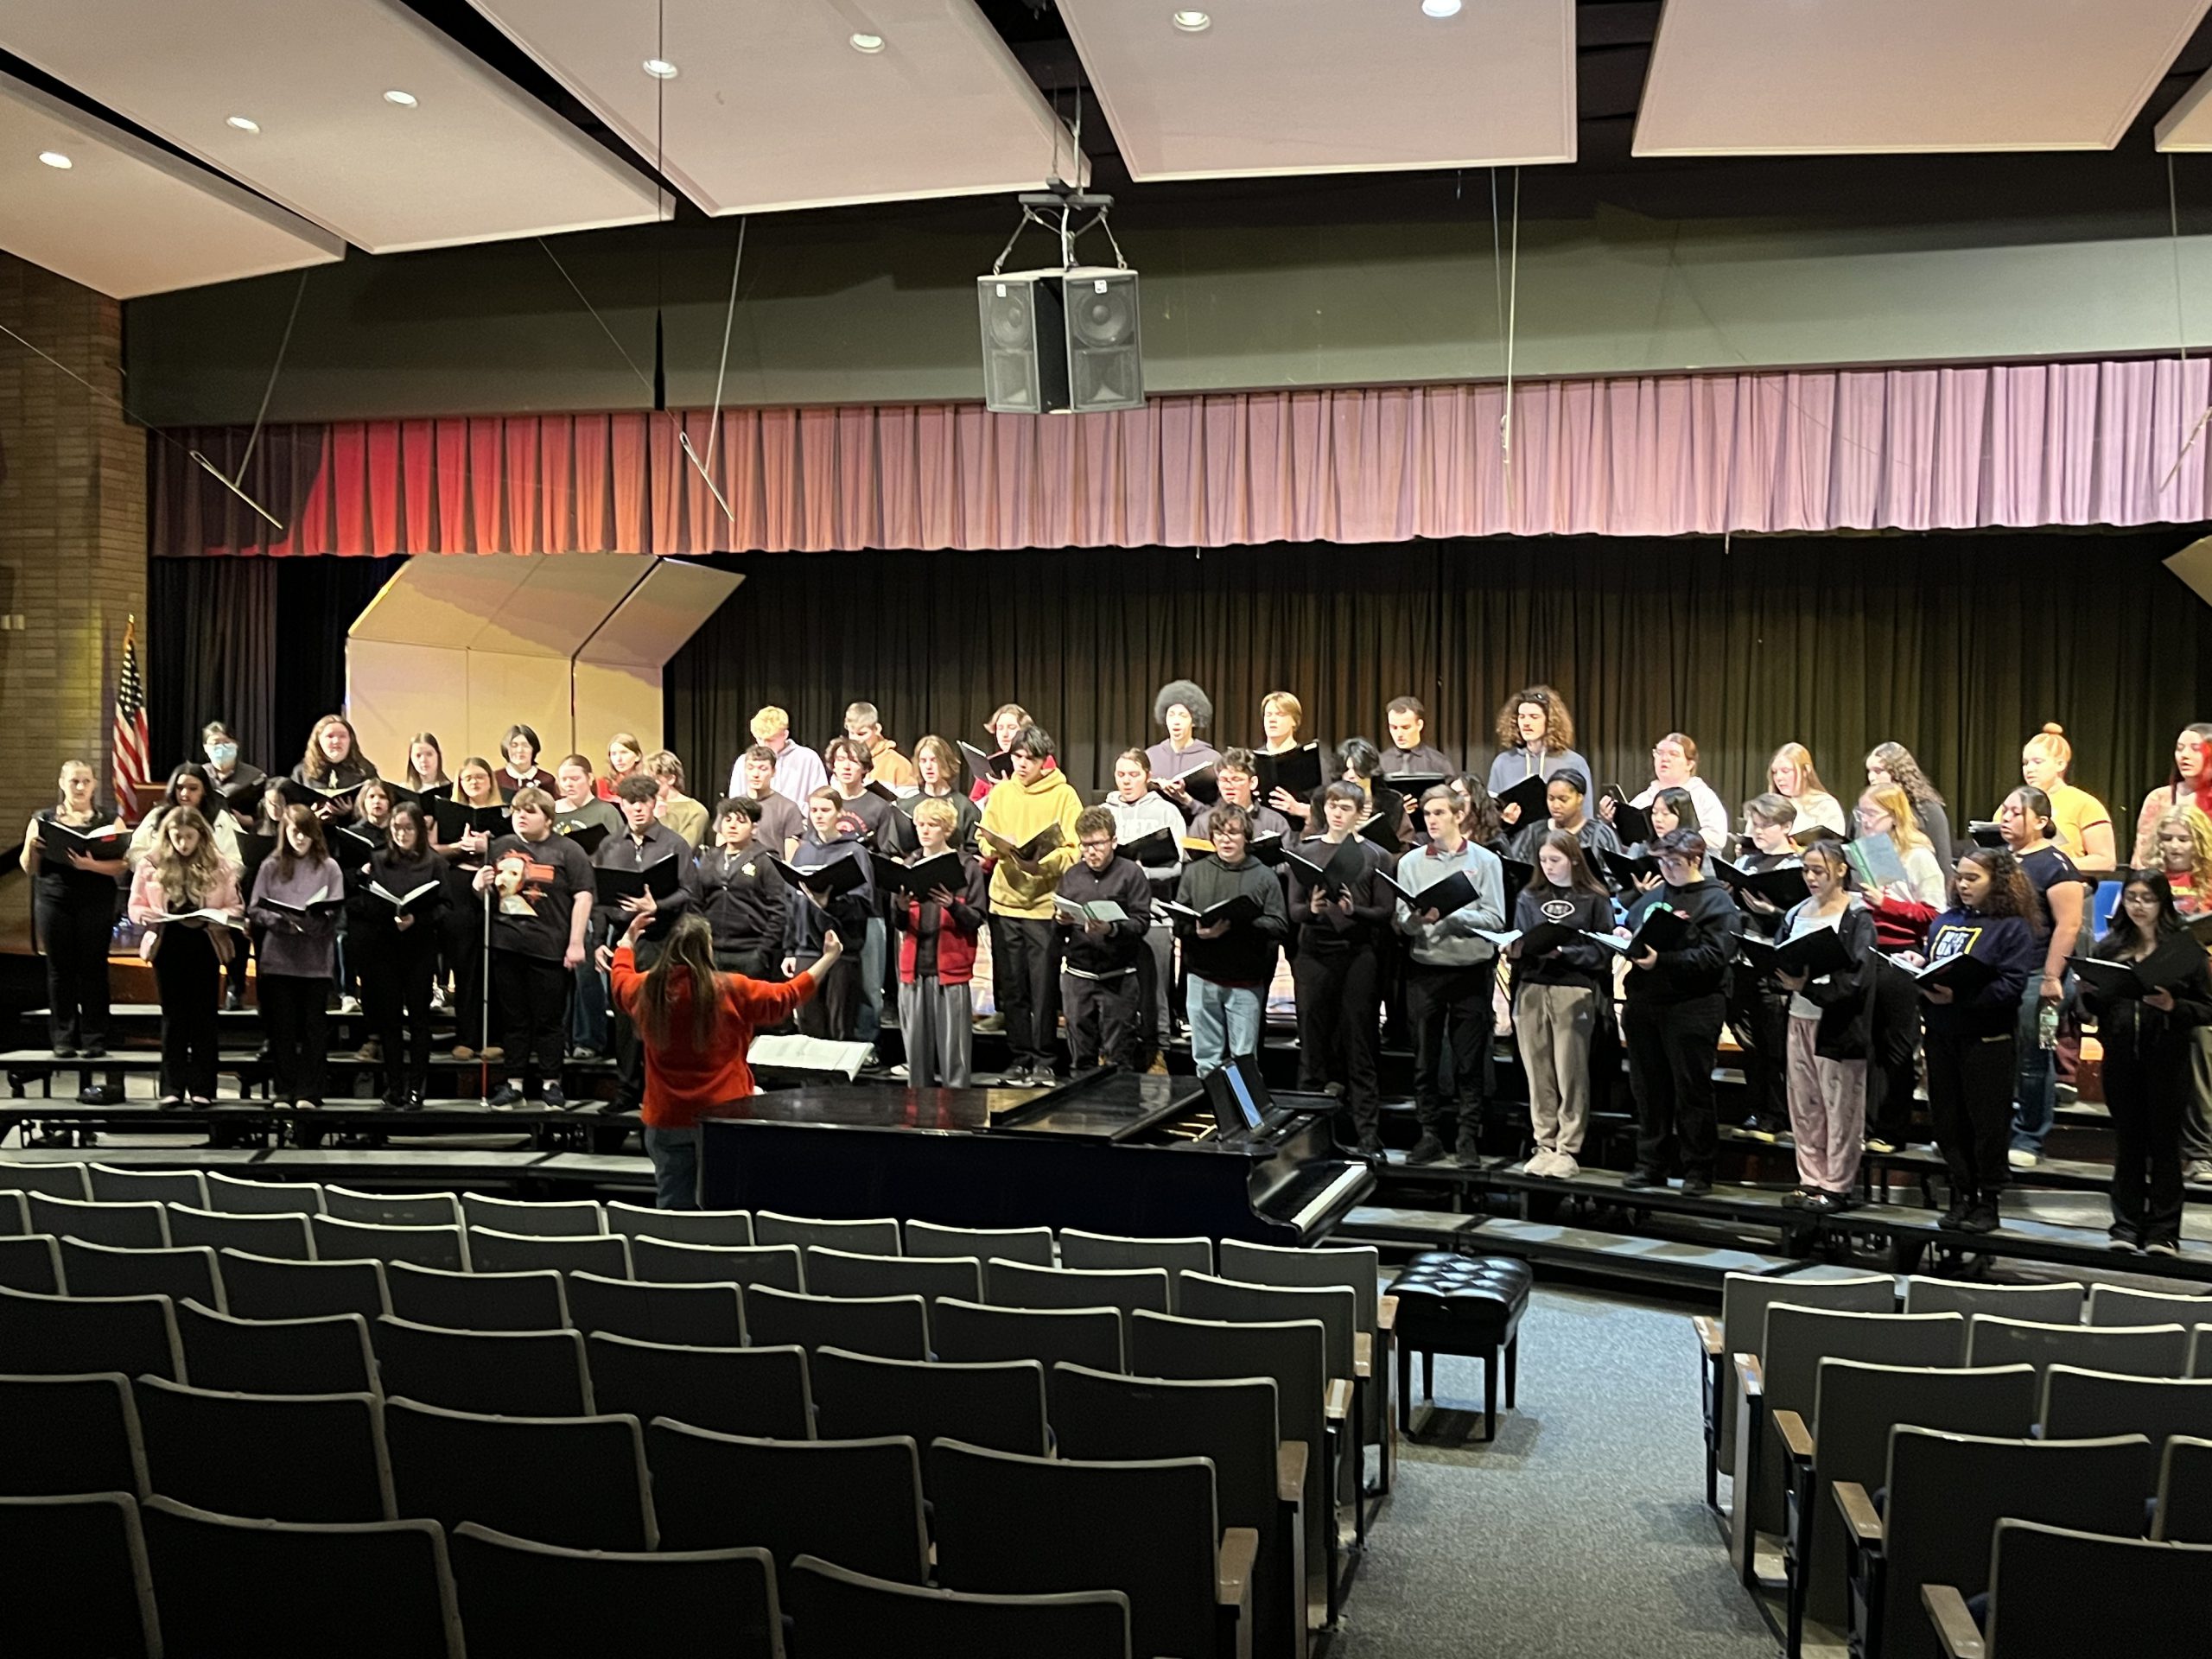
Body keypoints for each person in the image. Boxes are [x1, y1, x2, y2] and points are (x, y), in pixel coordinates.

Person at [611, 912, 835, 1210]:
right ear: (708, 949)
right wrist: (830, 957)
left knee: (672, 1207)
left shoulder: (647, 989)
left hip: (667, 1117)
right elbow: (790, 994)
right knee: (721, 1207)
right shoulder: (732, 989)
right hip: (722, 1117)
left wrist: (626, 943)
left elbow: (619, 980)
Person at [1908, 848, 2040, 1233]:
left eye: (1973, 879)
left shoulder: (2011, 927)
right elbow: (1937, 962)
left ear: (1996, 882)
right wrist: (1919, 966)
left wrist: (1960, 996)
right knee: (1948, 1122)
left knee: (1986, 1124)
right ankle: (1960, 1194)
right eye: (1960, 878)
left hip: (1987, 1038)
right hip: (1942, 1034)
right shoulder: (1946, 921)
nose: (1963, 885)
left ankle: (1988, 1201)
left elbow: (2011, 986)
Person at [2082, 870, 2212, 1255]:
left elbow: (2207, 1008)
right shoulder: (2111, 947)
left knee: (2165, 1147)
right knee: (2128, 1145)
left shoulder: (2183, 950)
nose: (2139, 906)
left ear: (2162, 903)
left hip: (2167, 1059)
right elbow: (2095, 1007)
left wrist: (2175, 1006)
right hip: (2122, 1058)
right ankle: (2125, 1226)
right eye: (2132, 898)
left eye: (2147, 899)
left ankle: (2163, 1232)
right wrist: (2089, 993)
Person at [1618, 829, 1742, 1197]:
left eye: (1674, 863)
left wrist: (1662, 961)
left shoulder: (1717, 902)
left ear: (1696, 861)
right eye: (1662, 862)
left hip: (1692, 1006)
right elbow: (1633, 924)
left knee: (1692, 1089)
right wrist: (1623, 937)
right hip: (1645, 1003)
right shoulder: (1657, 895)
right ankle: (1650, 1163)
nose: (1668, 870)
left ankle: (1698, 1169)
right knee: (1648, 1089)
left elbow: (1715, 956)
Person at [1394, 785, 1506, 1165]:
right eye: (1428, 815)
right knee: (1425, 1057)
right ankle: (1429, 1135)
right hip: (1426, 969)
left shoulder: (1486, 861)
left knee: (1468, 1059)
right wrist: (1412, 920)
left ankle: (1467, 1137)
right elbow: (1403, 923)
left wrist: (1453, 915)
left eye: (1440, 813)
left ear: (1459, 815)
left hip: (1471, 971)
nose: (1433, 821)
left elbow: (1496, 919)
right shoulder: (1410, 864)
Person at [976, 725, 1084, 1085]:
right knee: (1013, 987)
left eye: (1030, 759)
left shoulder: (1064, 794)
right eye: (1017, 757)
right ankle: (1020, 1056)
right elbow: (983, 837)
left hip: (1043, 907)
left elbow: (1075, 849)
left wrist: (1043, 864)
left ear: (1044, 761)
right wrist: (996, 845)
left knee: (1042, 987)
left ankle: (1044, 1058)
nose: (1022, 764)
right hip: (1005, 904)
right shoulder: (1003, 792)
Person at [474, 787, 594, 1109]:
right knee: (513, 1019)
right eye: (517, 811)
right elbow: (486, 897)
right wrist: (478, 884)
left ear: (548, 818)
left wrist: (575, 943)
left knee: (549, 1020)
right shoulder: (499, 847)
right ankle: (514, 1083)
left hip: (549, 946)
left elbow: (583, 896)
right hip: (506, 944)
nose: (521, 816)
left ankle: (550, 1082)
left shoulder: (568, 850)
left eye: (530, 811)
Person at [1288, 782, 1393, 1152]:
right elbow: (1295, 909)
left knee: (1360, 1045)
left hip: (1357, 955)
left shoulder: (1377, 856)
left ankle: (1367, 1134)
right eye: (1332, 806)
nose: (1336, 813)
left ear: (1359, 813)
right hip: (1315, 954)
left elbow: (1384, 912)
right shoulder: (1305, 850)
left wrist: (1354, 911)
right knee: (1312, 1046)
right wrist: (1313, 910)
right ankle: (1307, 1137)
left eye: (1345, 807)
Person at [1776, 840, 1877, 1211]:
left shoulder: (1856, 915)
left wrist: (1810, 988)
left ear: (1840, 870)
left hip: (1837, 1023)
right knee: (1804, 1104)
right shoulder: (1797, 912)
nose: (1811, 877)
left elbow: (1859, 977)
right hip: (1799, 1016)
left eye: (1819, 870)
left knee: (1841, 1106)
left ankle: (1836, 1184)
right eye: (1806, 870)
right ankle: (1810, 1178)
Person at [1507, 830, 1614, 1179]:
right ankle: (1544, 1143)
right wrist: (1514, 949)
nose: (1548, 867)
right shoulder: (1529, 896)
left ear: (1573, 860)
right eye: (1543, 861)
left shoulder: (1594, 898)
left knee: (1570, 1071)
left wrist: (1564, 951)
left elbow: (1603, 949)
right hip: (1533, 987)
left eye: (1555, 860)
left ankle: (1568, 1148)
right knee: (1538, 1072)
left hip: (1573, 988)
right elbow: (1520, 936)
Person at [596, 773, 702, 1113]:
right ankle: (627, 1091)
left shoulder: (674, 844)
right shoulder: (610, 846)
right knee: (626, 1020)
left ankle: (662, 1091)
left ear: (655, 804)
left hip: (663, 940)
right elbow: (599, 898)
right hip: (624, 940)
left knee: (662, 1019)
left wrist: (658, 906)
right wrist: (599, 941)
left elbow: (690, 892)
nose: (638, 809)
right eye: (631, 803)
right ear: (622, 806)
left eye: (644, 803)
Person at [126, 805, 241, 1108]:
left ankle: (203, 1088)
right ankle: (172, 1087)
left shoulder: (220, 865)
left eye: (190, 837)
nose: (183, 844)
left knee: (204, 1017)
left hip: (204, 943)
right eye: (177, 837)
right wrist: (146, 915)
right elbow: (135, 906)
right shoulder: (151, 864)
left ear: (201, 835)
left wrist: (218, 915)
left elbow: (235, 906)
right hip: (168, 943)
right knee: (174, 1017)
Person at [1853, 784, 1948, 1153]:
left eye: (1871, 815)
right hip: (1867, 951)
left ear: (1894, 818)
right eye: (1860, 815)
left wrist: (1888, 904)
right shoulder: (1865, 852)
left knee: (1896, 1044)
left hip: (1903, 955)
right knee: (1868, 1043)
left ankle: (1892, 1129)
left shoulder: (1918, 856)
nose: (1864, 822)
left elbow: (1936, 913)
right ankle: (1868, 1124)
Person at [1997, 785, 2086, 1168]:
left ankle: (2030, 1137)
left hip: (2041, 977)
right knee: (1998, 1056)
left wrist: (2052, 977)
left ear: (2042, 821)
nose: (2004, 816)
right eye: (2003, 809)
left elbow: (2069, 925)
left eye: (2015, 812)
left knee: (2035, 1057)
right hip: (2000, 974)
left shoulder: (2056, 865)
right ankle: (1994, 1130)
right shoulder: (1998, 860)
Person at [21, 759, 127, 1058]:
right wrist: (32, 848)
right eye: (74, 782)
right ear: (62, 784)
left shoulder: (109, 819)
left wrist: (90, 865)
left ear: (94, 785)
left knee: (94, 967)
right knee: (59, 968)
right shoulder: (44, 818)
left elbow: (123, 863)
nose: (80, 787)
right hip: (54, 898)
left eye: (86, 781)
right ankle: (63, 1038)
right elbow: (28, 868)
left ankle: (95, 1037)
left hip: (96, 898)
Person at [1174, 804, 1289, 1077]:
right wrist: (1198, 932)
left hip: (1244, 979)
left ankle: (1248, 1117)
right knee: (1206, 1059)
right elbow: (1180, 920)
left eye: (1234, 834)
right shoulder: (1195, 872)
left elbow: (1280, 925)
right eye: (1220, 833)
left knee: (1244, 1060)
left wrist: (1244, 922)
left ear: (1246, 838)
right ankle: (1213, 1114)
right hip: (1202, 976)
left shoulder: (1264, 876)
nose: (1226, 840)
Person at [246, 805, 343, 1112]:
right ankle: (285, 1090)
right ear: (284, 833)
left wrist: (316, 920)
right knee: (282, 1029)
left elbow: (336, 909)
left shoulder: (329, 867)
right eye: (294, 832)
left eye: (306, 832)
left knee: (314, 1029)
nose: (300, 838)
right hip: (279, 957)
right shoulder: (271, 865)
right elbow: (255, 909)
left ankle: (310, 1091)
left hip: (315, 960)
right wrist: (280, 921)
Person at [354, 802, 446, 1110]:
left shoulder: (434, 862)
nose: (402, 834)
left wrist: (416, 919)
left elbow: (445, 906)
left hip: (419, 947)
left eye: (408, 828)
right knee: (389, 1021)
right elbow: (365, 903)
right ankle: (394, 1087)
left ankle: (417, 1089)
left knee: (419, 1020)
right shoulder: (378, 860)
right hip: (385, 947)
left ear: (420, 830)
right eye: (396, 828)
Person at [892, 797, 988, 1087]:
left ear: (946, 829)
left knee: (954, 1056)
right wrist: (899, 905)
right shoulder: (909, 865)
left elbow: (977, 917)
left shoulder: (965, 866)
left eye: (931, 825)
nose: (923, 830)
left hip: (950, 969)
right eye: (920, 824)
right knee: (916, 1057)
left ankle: (956, 1113)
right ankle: (917, 1112)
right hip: (914, 969)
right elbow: (898, 923)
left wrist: (952, 905)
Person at [1102, 747, 1186, 1067]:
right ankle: (1111, 1050)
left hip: (1156, 913)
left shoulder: (1166, 812)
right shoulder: (1105, 810)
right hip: (1113, 913)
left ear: (1148, 777)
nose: (1127, 781)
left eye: (1134, 775)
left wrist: (1140, 871)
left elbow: (1179, 863)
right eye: (1121, 775)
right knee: (1112, 984)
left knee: (1155, 990)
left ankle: (1157, 1051)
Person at [1054, 808, 1153, 1071]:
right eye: (1085, 845)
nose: (1091, 852)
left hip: (1118, 977)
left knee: (1119, 1059)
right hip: (1079, 976)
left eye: (1097, 844)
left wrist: (1111, 929)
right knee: (1081, 1059)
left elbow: (1142, 922)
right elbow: (1060, 928)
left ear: (1113, 841)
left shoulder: (1131, 873)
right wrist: (1061, 921)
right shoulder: (1073, 876)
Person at [1726, 793, 1799, 1141]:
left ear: (1786, 827)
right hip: (1740, 959)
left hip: (1773, 964)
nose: (1755, 831)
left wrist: (1772, 912)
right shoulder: (1746, 863)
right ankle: (1757, 1109)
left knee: (1773, 1043)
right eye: (1752, 823)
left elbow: (1803, 920)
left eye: (1764, 824)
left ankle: (1777, 1113)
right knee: (1749, 1043)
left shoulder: (1795, 866)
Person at [783, 790, 874, 1042]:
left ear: (839, 813)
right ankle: (810, 1083)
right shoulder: (802, 851)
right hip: (806, 950)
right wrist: (790, 949)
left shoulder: (854, 852)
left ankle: (837, 1083)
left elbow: (864, 903)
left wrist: (830, 903)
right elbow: (791, 902)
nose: (819, 816)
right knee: (809, 1027)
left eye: (825, 810)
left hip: (842, 951)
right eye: (814, 811)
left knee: (838, 1027)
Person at [432, 755, 506, 1062]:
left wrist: (487, 846)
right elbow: (433, 850)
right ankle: (466, 1036)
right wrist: (460, 848)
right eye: (467, 778)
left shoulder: (503, 813)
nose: (474, 782)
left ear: (491, 780)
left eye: (480, 777)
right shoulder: (447, 812)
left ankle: (494, 1037)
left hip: (494, 884)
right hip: (459, 885)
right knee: (464, 965)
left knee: (493, 965)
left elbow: (516, 847)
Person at [553, 754, 622, 1060]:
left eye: (575, 778)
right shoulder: (552, 813)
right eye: (564, 779)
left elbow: (619, 849)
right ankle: (561, 1038)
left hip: (593, 895)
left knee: (586, 973)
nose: (568, 784)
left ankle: (589, 1039)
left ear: (590, 779)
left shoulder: (605, 812)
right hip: (557, 898)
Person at [696, 798, 788, 977]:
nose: (733, 826)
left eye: (741, 821)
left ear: (754, 827)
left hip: (750, 952)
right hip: (711, 951)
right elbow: (697, 902)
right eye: (728, 819)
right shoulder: (710, 857)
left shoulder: (766, 859)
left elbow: (780, 909)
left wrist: (763, 951)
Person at [1487, 686, 1592, 833]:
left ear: (1550, 721)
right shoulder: (1503, 762)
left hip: (1561, 845)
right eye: (1521, 716)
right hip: (1516, 844)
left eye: (1534, 717)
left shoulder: (1573, 762)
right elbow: (1490, 816)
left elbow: (1586, 815)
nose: (1526, 723)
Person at [1605, 732, 1730, 850]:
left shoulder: (1703, 796)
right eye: (1659, 753)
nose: (1665, 758)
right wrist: (1611, 820)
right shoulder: (1645, 797)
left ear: (1689, 764)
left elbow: (1716, 837)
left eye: (1673, 754)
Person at [2018, 723, 2115, 872]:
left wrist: (2052, 865)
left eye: (2038, 762)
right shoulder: (2013, 803)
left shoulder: (2084, 804)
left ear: (2060, 764)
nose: (2029, 769)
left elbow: (2105, 861)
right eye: (2026, 763)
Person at [127, 764, 242, 871]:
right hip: (162, 883)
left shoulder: (221, 818)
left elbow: (236, 862)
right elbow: (134, 853)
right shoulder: (157, 816)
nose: (184, 794)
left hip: (209, 885)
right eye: (180, 788)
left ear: (204, 790)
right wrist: (159, 871)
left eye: (193, 789)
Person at [2131, 721, 2212, 868]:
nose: (2184, 756)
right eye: (2180, 749)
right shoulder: (2159, 797)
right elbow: (2142, 856)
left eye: (2196, 749)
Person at [1864, 741, 1954, 863]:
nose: (1872, 778)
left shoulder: (1927, 809)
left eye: (1878, 771)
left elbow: (1943, 858)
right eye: (1869, 771)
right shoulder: (1871, 808)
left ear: (1897, 773)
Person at [1509, 768, 1619, 862]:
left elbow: (1616, 880)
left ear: (1579, 798)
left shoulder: (1599, 834)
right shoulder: (1533, 831)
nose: (1556, 805)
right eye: (1551, 798)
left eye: (1563, 799)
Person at [1192, 748, 1293, 845]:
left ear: (1252, 783)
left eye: (1236, 779)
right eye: (1223, 780)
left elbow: (1288, 860)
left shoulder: (1274, 822)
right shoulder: (1202, 822)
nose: (1228, 786)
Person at [729, 705, 827, 804]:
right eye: (760, 739)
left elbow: (822, 797)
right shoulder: (744, 761)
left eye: (770, 740)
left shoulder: (808, 758)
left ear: (785, 735)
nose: (765, 746)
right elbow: (736, 801)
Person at [1146, 681, 1220, 804]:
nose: (1176, 721)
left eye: (1182, 715)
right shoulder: (1150, 756)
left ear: (1194, 720)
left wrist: (1187, 801)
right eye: (1171, 715)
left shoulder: (1211, 758)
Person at [292, 714, 375, 824]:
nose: (336, 741)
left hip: (354, 833)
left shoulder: (365, 770)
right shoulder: (302, 772)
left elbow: (379, 808)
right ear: (318, 741)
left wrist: (352, 812)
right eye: (330, 736)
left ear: (351, 740)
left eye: (342, 736)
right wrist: (310, 815)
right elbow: (292, 811)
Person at [734, 743, 808, 857]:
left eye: (763, 769)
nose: (756, 774)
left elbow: (792, 859)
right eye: (751, 768)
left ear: (773, 772)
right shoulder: (733, 807)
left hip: (773, 871)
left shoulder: (788, 808)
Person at [1256, 690, 1317, 823]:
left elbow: (1324, 809)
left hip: (1297, 830)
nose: (1272, 720)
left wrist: (1299, 808)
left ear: (1294, 721)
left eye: (1280, 714)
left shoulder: (1308, 758)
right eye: (1268, 715)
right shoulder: (1253, 759)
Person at [1769, 743, 1847, 836]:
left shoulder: (1825, 805)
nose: (1779, 777)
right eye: (1774, 772)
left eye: (1785, 771)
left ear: (1805, 771)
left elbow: (1833, 843)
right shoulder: (1770, 806)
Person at [844, 702, 920, 789]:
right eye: (851, 733)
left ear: (877, 729)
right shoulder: (843, 763)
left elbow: (911, 800)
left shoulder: (898, 763)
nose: (856, 739)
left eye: (861, 734)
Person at [645, 751, 709, 849]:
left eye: (654, 779)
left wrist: (661, 820)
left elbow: (683, 849)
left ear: (671, 779)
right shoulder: (646, 805)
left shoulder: (696, 811)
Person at [1379, 696, 1451, 779]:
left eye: (1405, 727)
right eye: (1394, 727)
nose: (1399, 734)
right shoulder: (1380, 764)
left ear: (1420, 725)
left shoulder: (1440, 763)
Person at [497, 724, 557, 795]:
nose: (520, 750)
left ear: (534, 749)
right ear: (506, 749)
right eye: (514, 745)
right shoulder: (495, 779)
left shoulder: (547, 780)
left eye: (525, 745)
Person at [597, 732, 645, 803]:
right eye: (613, 754)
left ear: (637, 756)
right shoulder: (603, 783)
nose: (618, 758)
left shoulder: (646, 783)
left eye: (624, 752)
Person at [404, 731, 452, 798]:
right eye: (418, 755)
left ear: (438, 755)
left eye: (429, 754)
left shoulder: (452, 791)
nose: (423, 760)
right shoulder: (404, 791)